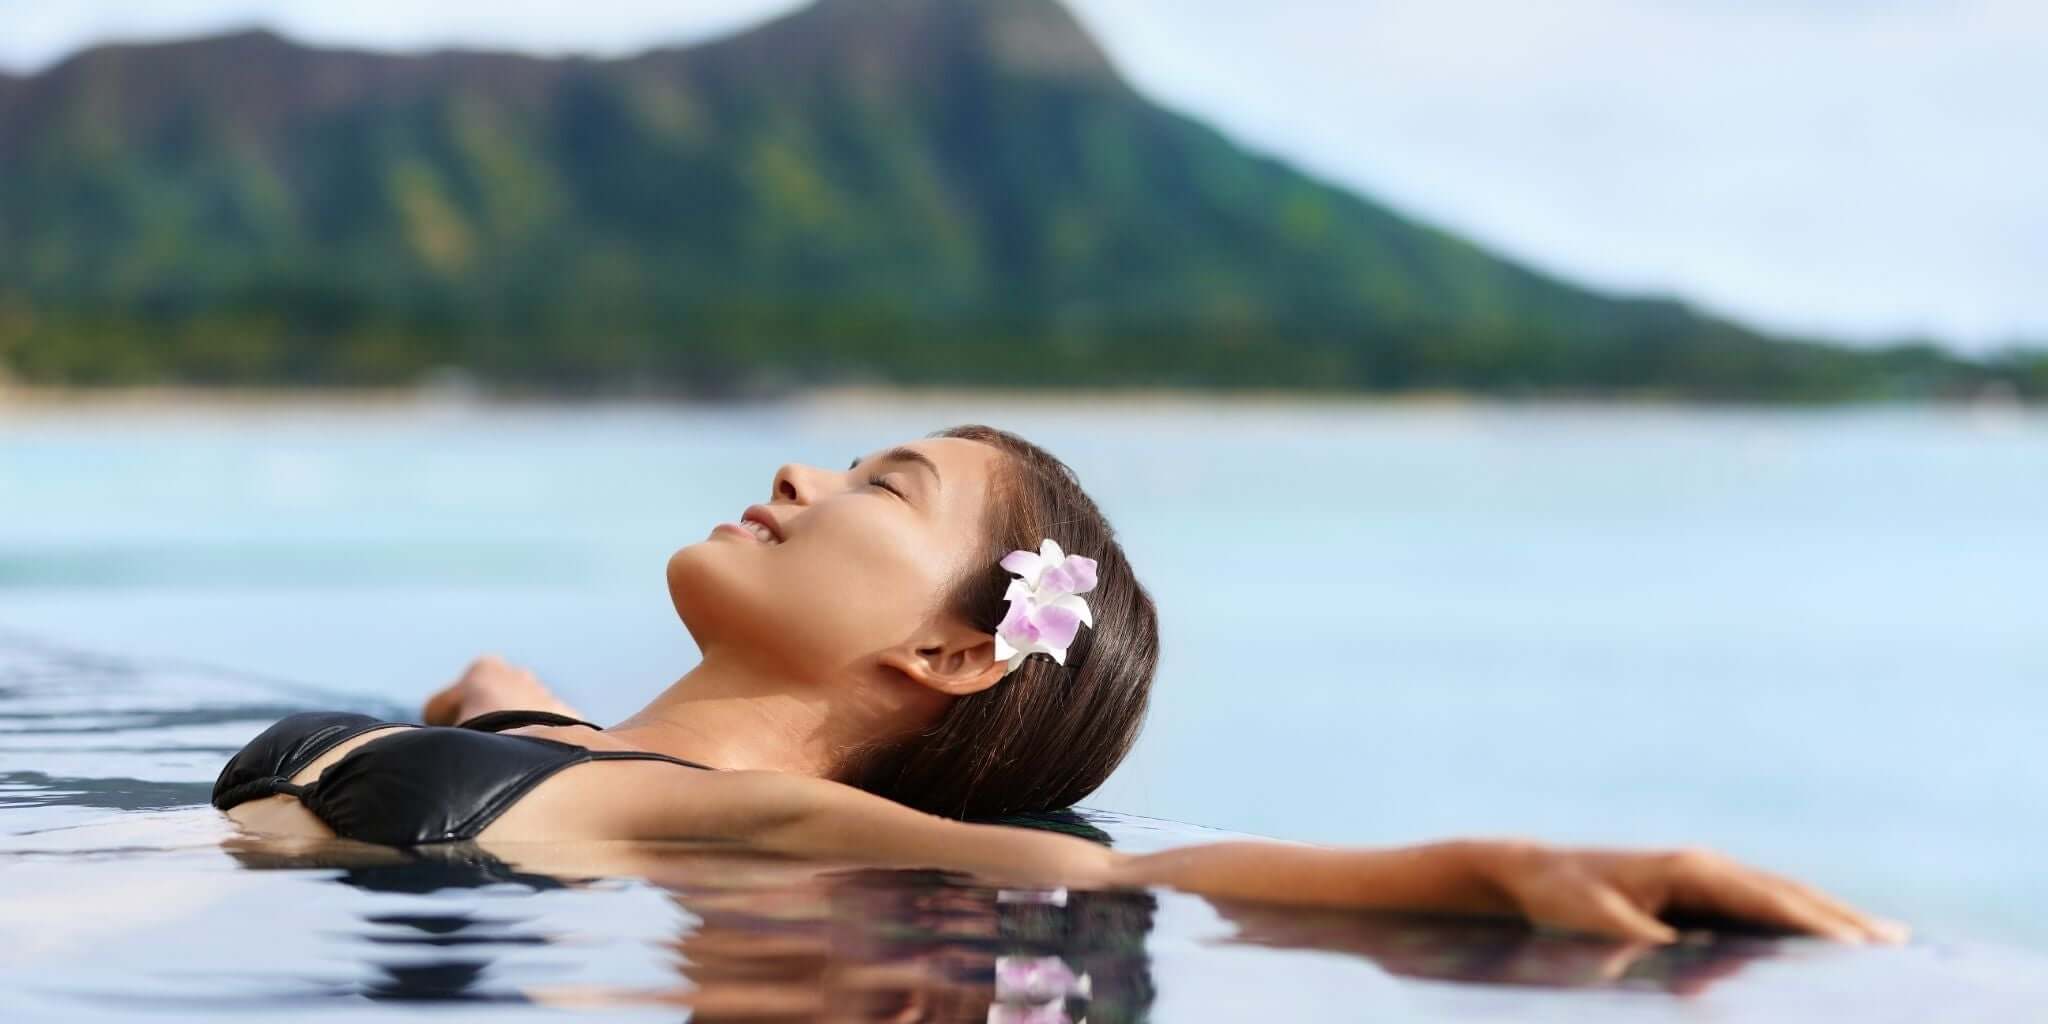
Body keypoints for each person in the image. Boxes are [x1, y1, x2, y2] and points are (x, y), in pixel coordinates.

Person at [214, 424, 1906, 946]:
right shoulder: (549, 740)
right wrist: (490, 704)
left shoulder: (747, 814)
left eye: (880, 487)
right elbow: (511, 706)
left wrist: (1498, 872)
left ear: (950, 653)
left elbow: (1127, 875)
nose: (800, 479)